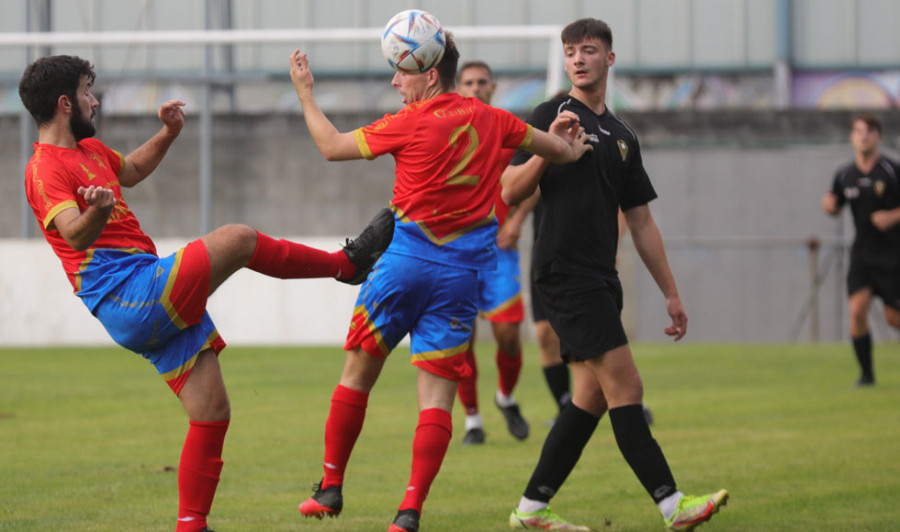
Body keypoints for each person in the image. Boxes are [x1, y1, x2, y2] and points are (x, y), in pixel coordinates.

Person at [19, 54, 394, 532]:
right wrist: (98, 211)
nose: (96, 100)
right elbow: (73, 234)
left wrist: (169, 134)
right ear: (66, 103)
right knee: (237, 238)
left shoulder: (89, 152)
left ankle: (191, 525)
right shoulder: (44, 168)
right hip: (131, 295)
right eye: (89, 91)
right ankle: (347, 265)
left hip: (144, 288)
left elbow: (131, 169)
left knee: (212, 412)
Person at [288, 31, 591, 532]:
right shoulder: (496, 120)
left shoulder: (408, 121)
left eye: (401, 72)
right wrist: (567, 144)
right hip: (460, 279)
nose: (394, 81)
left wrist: (305, 91)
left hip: (401, 266)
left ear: (429, 75)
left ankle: (331, 486)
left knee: (357, 376)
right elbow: (556, 150)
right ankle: (409, 512)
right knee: (435, 399)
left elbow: (330, 146)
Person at [500, 19, 728, 531]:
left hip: (602, 278)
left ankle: (532, 509)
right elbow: (510, 190)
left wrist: (671, 293)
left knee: (591, 397)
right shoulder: (550, 115)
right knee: (627, 387)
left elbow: (642, 222)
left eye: (589, 50)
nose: (578, 59)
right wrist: (550, 151)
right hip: (564, 274)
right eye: (570, 52)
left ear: (610, 59)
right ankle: (673, 506)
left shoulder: (624, 137)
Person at [454, 60, 530, 445]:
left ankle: (505, 396)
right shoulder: (447, 130)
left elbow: (536, 177)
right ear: (458, 87)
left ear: (493, 87)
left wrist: (516, 222)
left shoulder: (509, 129)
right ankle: (472, 420)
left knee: (508, 335)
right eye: (468, 82)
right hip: (458, 252)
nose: (475, 88)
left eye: (482, 82)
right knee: (462, 338)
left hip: (499, 250)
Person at [823, 113, 900, 387]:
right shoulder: (845, 174)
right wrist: (830, 207)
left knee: (894, 319)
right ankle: (867, 376)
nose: (863, 135)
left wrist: (893, 216)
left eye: (869, 131)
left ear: (878, 136)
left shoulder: (891, 170)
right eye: (858, 131)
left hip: (893, 255)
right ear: (852, 137)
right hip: (862, 253)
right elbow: (834, 204)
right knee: (856, 311)